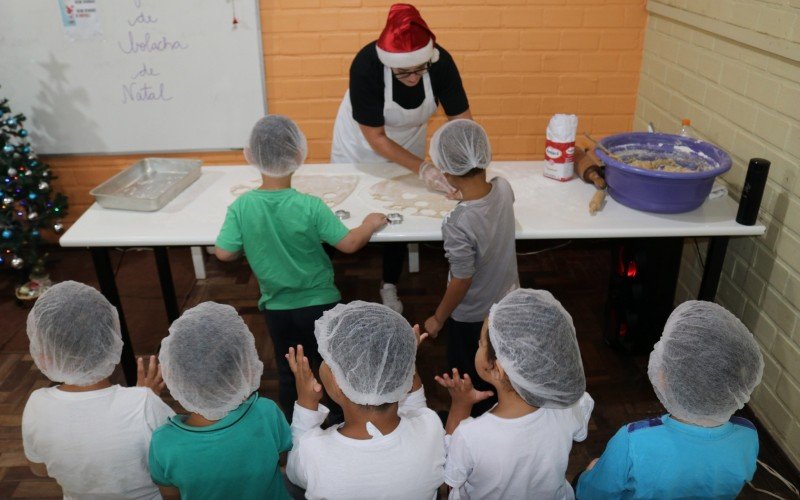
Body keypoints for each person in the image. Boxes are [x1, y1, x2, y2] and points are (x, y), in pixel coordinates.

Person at [215, 115, 387, 418]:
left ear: (252, 156)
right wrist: (369, 224)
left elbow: (223, 254)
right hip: (320, 304)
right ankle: (336, 418)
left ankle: (296, 421)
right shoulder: (311, 206)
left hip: (276, 307)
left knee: (288, 367)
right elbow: (348, 244)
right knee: (328, 363)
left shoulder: (242, 207)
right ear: (298, 155)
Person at [331, 3, 472, 313]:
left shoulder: (442, 64)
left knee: (396, 209)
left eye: (418, 69)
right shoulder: (366, 66)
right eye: (402, 71)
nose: (411, 78)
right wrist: (422, 167)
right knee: (348, 211)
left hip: (408, 139)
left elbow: (462, 124)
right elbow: (376, 138)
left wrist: (466, 168)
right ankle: (332, 284)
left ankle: (390, 283)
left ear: (430, 59)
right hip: (360, 143)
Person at [576, 300, 764, 499]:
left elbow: (591, 494)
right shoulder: (747, 435)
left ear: (663, 376)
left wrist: (588, 473)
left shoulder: (632, 441)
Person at [21, 281, 174, 499]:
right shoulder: (145, 406)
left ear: (44, 353)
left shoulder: (36, 405)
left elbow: (40, 468)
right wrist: (144, 397)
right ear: (111, 341)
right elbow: (176, 468)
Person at [437, 288, 594, 499]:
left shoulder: (471, 436)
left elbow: (448, 481)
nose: (478, 344)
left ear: (498, 369)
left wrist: (460, 404)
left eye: (481, 343)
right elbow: (579, 431)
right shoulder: (569, 407)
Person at [285, 301, 445, 499]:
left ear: (337, 383)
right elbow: (417, 408)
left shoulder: (313, 453)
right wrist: (404, 359)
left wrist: (306, 404)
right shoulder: (431, 427)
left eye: (327, 359)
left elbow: (294, 472)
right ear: (403, 375)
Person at [148, 302, 291, 499]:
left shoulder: (163, 443)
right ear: (245, 366)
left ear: (175, 377)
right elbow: (282, 458)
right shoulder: (266, 412)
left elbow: (171, 497)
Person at [423, 119, 518, 415]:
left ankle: (472, 418)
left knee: (470, 374)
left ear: (448, 173)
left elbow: (462, 279)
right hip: (505, 303)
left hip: (471, 317)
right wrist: (465, 194)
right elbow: (488, 204)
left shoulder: (458, 223)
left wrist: (438, 319)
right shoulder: (503, 188)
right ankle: (501, 409)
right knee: (497, 364)